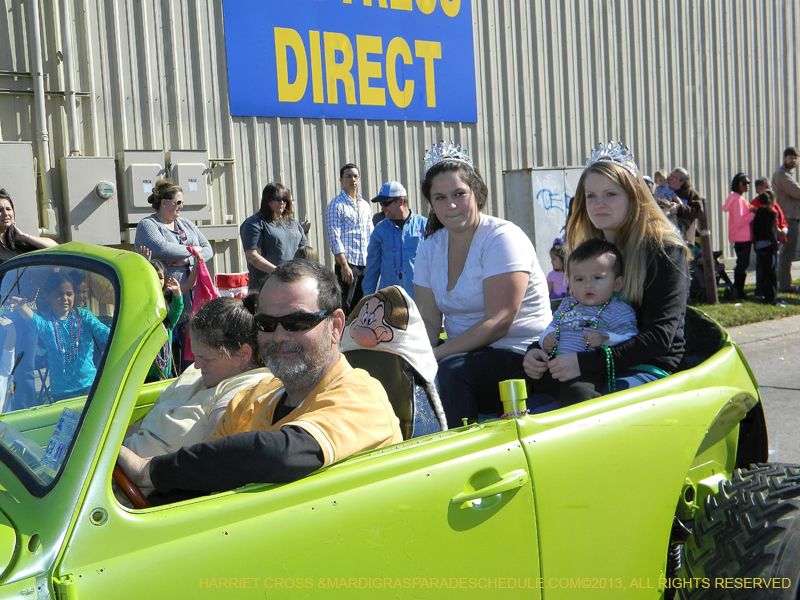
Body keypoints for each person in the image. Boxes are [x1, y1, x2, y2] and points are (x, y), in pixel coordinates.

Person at [117, 259, 402, 503]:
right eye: (266, 324)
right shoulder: (250, 398)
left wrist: (149, 471)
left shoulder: (362, 396)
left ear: (336, 326)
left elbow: (280, 452)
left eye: (297, 322)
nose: (278, 336)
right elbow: (204, 479)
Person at [524, 141, 689, 401]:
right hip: (584, 361)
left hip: (644, 367)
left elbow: (659, 337)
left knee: (575, 398)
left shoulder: (664, 250)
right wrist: (537, 349)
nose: (599, 204)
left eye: (610, 194)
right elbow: (576, 313)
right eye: (591, 196)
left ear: (633, 197)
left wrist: (584, 364)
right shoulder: (590, 252)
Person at [413, 142, 550, 428]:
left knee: (453, 372)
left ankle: (461, 453)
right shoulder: (428, 249)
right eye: (440, 197)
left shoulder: (502, 238)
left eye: (459, 194)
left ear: (476, 192)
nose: (450, 205)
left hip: (523, 356)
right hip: (461, 357)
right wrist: (415, 362)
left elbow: (499, 321)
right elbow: (427, 321)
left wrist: (436, 355)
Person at [123, 296, 270, 458]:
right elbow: (142, 425)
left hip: (137, 476)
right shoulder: (199, 371)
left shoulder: (246, 388)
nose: (197, 365)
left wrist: (125, 462)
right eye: (195, 356)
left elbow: (209, 459)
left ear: (243, 354)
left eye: (207, 359)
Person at [526, 239, 638, 408]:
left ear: (617, 283)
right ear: (570, 284)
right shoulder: (567, 304)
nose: (588, 285)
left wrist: (605, 338)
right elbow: (552, 326)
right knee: (518, 380)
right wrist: (545, 340)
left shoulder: (618, 310)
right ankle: (511, 418)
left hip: (585, 371)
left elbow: (629, 336)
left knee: (580, 393)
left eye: (597, 278)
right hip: (553, 364)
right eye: (579, 279)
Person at [9, 271, 110, 401]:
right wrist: (21, 307)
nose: (64, 298)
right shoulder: (47, 324)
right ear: (47, 296)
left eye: (69, 294)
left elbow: (105, 334)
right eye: (58, 294)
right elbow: (33, 319)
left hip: (90, 385)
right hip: (62, 392)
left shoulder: (84, 316)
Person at [0, 189, 57, 410]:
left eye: (8, 208)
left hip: (25, 317)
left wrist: (23, 236)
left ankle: (25, 418)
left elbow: (55, 248)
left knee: (24, 373)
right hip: (3, 321)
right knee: (3, 373)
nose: (5, 213)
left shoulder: (18, 244)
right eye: (0, 210)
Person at [240, 183, 310, 293]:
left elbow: (306, 252)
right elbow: (252, 256)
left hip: (293, 285)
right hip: (266, 287)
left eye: (285, 199)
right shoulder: (255, 223)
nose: (282, 202)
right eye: (277, 198)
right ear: (267, 200)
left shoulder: (293, 224)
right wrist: (279, 273)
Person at [362, 181, 427, 299]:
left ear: (400, 201)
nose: (383, 208)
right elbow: (372, 269)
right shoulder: (380, 230)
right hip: (390, 301)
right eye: (381, 204)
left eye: (386, 203)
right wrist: (367, 299)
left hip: (420, 298)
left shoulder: (424, 226)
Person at [325, 163, 373, 315]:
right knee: (345, 305)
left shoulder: (365, 205)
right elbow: (334, 237)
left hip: (365, 263)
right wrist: (344, 265)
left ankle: (359, 338)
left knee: (363, 304)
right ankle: (343, 337)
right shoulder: (336, 205)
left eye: (355, 176)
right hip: (348, 263)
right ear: (341, 179)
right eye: (348, 176)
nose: (352, 179)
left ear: (359, 179)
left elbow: (370, 233)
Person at [145, 258, 184, 382]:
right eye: (153, 276)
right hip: (147, 374)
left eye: (161, 277)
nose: (158, 280)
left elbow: (176, 312)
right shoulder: (143, 303)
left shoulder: (166, 312)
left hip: (165, 374)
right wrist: (144, 268)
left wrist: (177, 294)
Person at [722, 173, 755, 300]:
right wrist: (752, 214)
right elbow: (739, 221)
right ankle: (738, 291)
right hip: (741, 238)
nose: (747, 186)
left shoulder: (738, 198)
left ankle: (739, 290)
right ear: (737, 185)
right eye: (744, 183)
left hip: (742, 237)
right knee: (742, 264)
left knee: (743, 264)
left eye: (748, 183)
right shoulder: (737, 200)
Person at [772, 147, 800, 293]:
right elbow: (796, 192)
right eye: (791, 157)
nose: (793, 161)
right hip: (786, 219)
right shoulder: (781, 175)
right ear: (784, 158)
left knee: (788, 253)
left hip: (791, 217)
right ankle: (784, 285)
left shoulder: (787, 174)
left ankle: (783, 283)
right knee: (786, 254)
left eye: (795, 158)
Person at [753, 190, 780, 305]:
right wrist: (775, 243)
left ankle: (765, 295)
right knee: (772, 274)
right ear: (772, 200)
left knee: (764, 273)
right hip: (768, 245)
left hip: (759, 244)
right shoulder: (771, 213)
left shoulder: (758, 212)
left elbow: (754, 228)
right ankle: (772, 298)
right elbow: (771, 230)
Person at [667, 168, 704, 246]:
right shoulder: (664, 191)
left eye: (674, 177)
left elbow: (699, 212)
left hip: (685, 238)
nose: (669, 178)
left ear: (681, 182)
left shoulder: (691, 194)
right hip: (668, 237)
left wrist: (679, 208)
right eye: (670, 175)